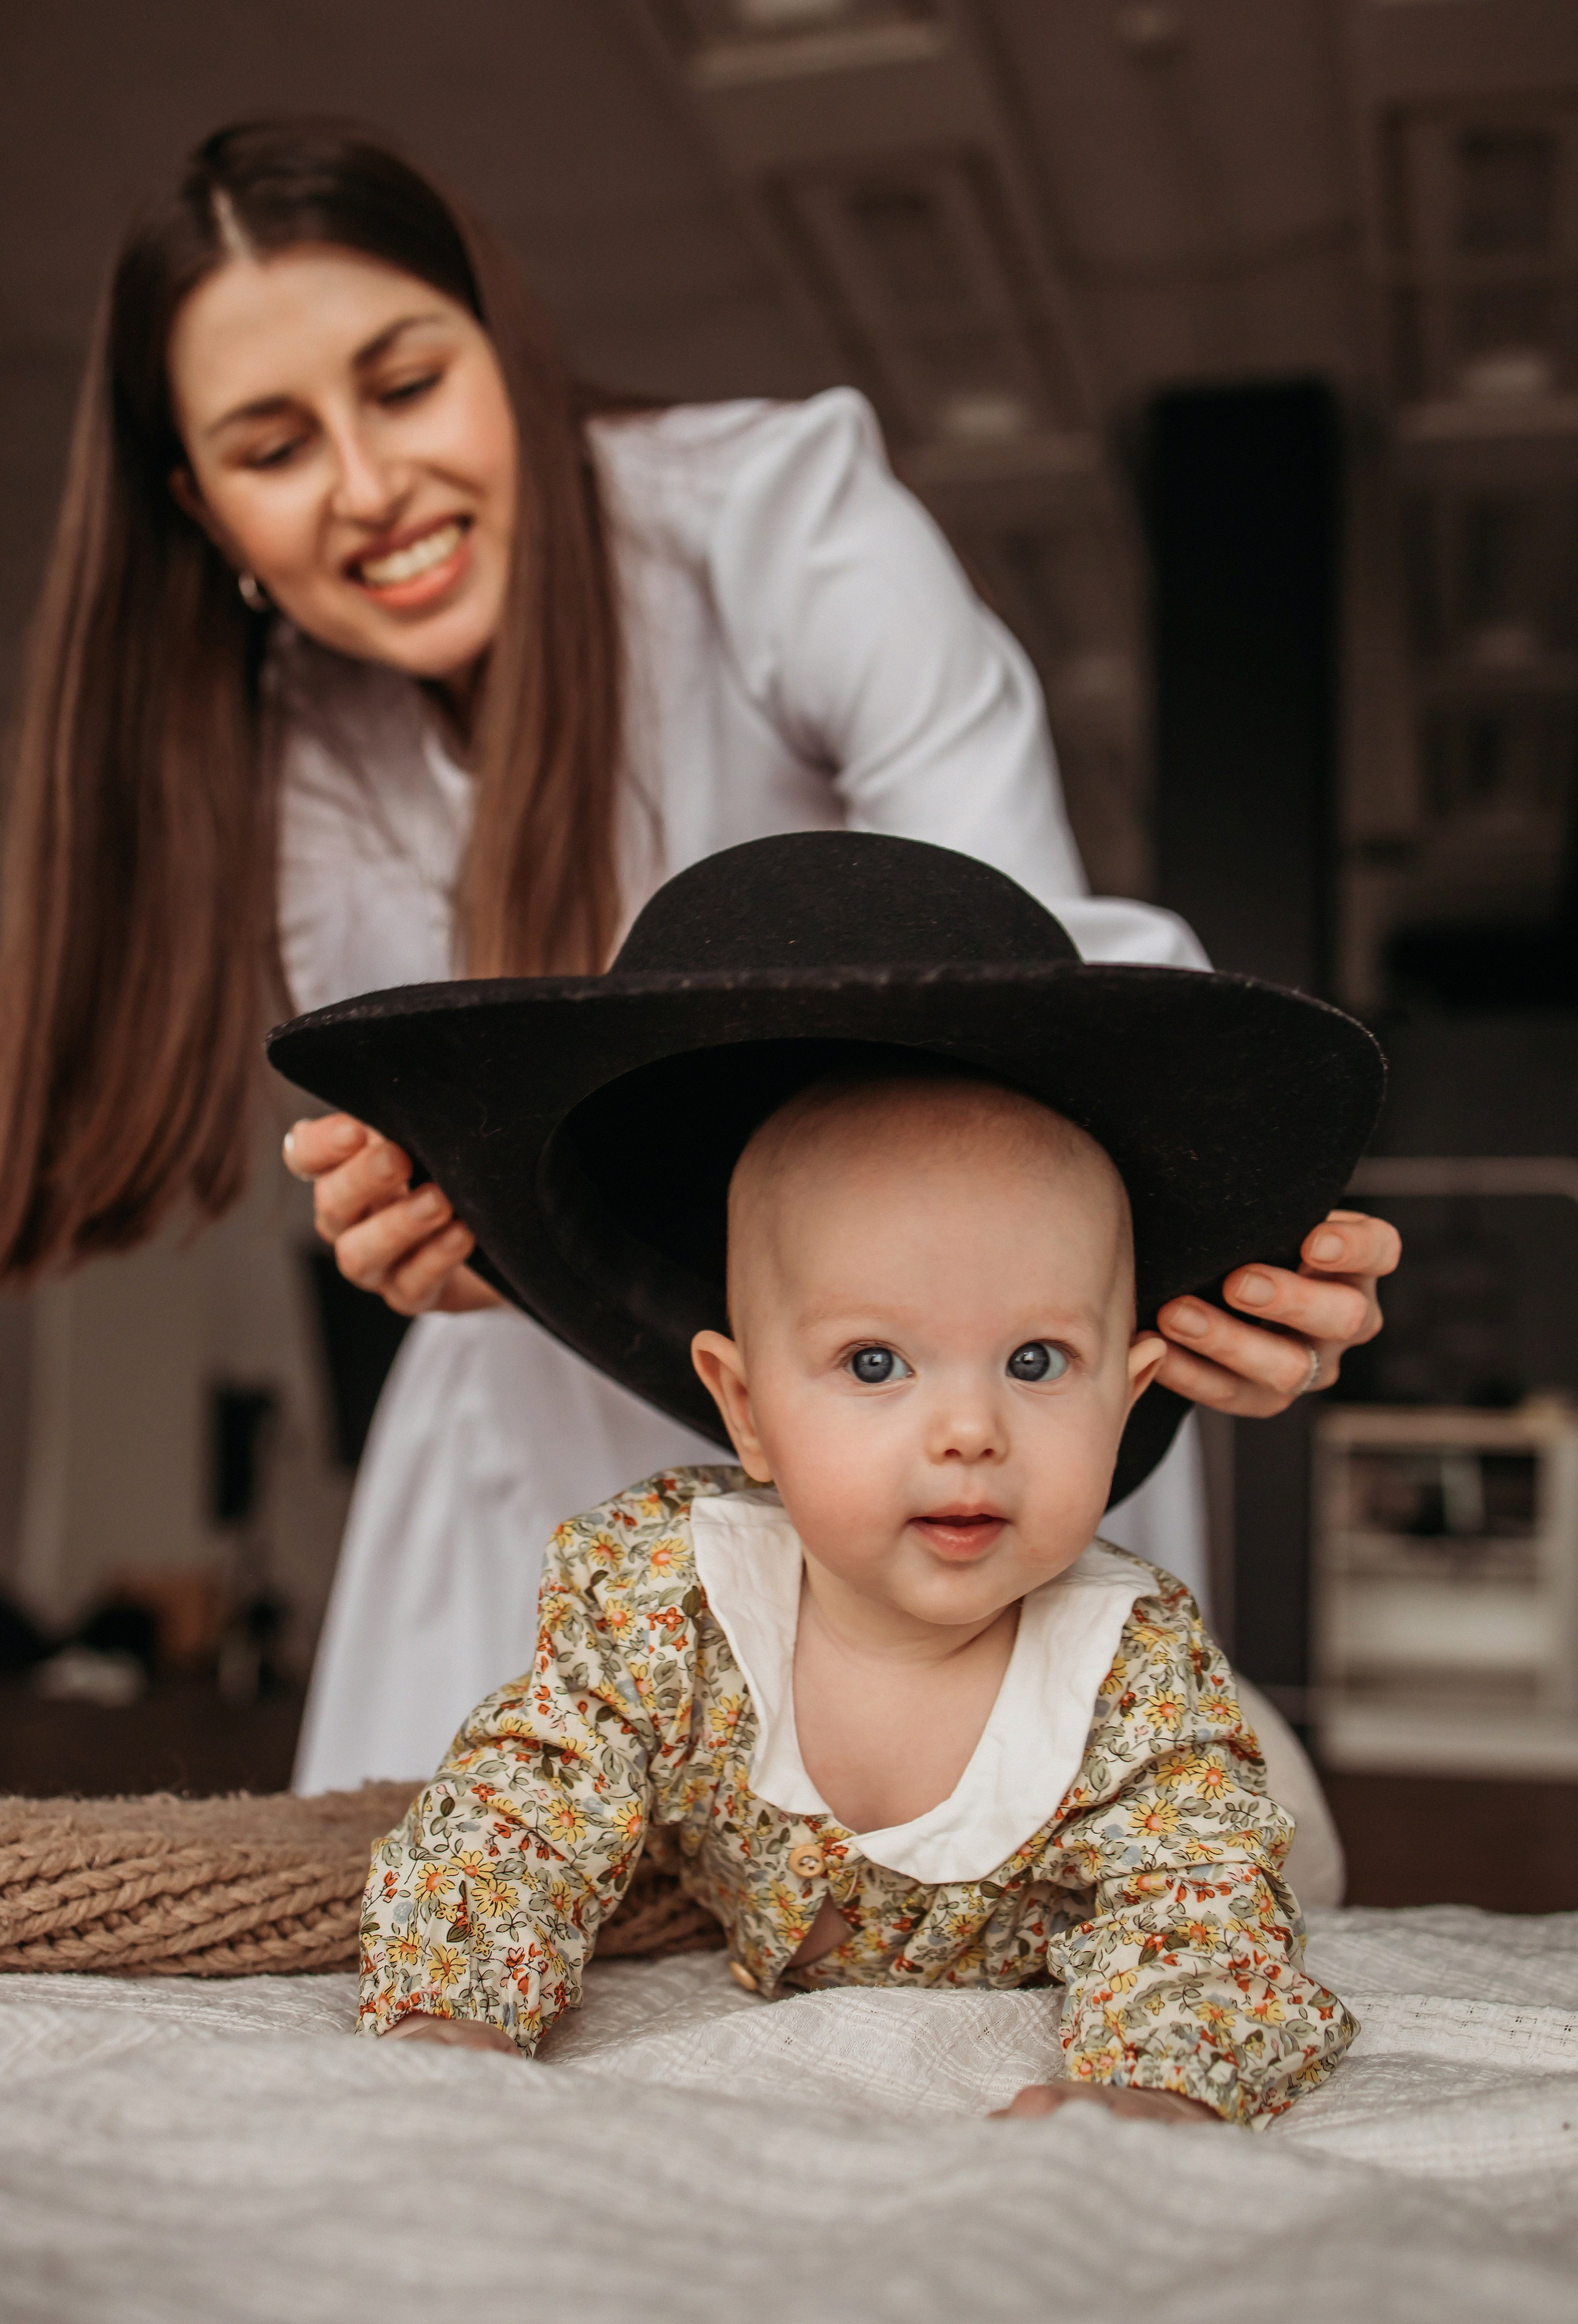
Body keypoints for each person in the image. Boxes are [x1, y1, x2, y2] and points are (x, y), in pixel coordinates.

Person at [0, 120, 1398, 1795]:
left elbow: (1023, 1004)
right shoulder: (287, 750)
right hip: (560, 1415)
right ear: (203, 506)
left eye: (404, 383)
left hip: (943, 1335)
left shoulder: (776, 522)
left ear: (503, 353)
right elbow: (454, 1159)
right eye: (276, 445)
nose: (371, 489)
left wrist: (1208, 1234)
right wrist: (451, 1231)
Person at [279, 833, 1379, 2124]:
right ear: (740, 1407)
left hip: (1245, 1799)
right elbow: (518, 1815)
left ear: (1128, 1391)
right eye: (873, 1362)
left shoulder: (1131, 1679)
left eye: (1034, 1358)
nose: (966, 1429)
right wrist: (451, 2008)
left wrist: (1160, 2088)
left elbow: (1197, 1912)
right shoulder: (668, 1608)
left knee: (1279, 1846)